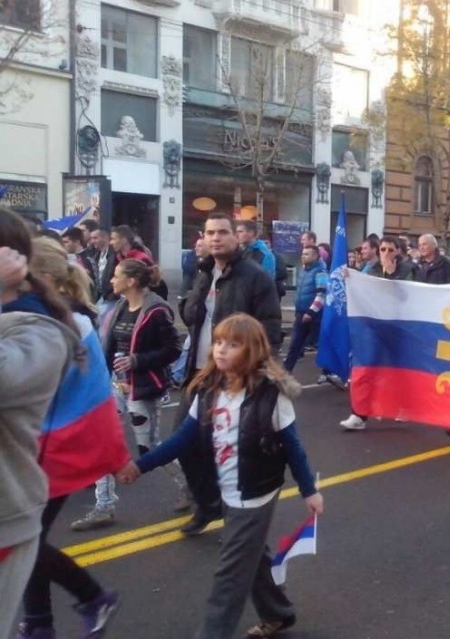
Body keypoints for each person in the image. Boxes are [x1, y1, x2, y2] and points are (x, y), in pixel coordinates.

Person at [116, 314, 324, 639]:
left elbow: (292, 447)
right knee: (252, 558)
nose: (221, 350)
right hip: (226, 489)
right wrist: (140, 466)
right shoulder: (211, 390)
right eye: (218, 342)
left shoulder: (271, 395)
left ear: (252, 350)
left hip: (255, 495)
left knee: (230, 575)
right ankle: (277, 614)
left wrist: (309, 490)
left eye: (233, 344)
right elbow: (182, 439)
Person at [0, 211, 128, 639]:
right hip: (49, 440)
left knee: (26, 536)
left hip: (60, 442)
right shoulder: (58, 320)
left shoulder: (57, 327)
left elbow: (75, 392)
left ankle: (85, 599)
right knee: (28, 536)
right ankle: (43, 620)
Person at [179, 212, 282, 536]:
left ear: (235, 237)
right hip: (199, 372)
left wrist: (255, 375)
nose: (215, 238)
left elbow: (270, 330)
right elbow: (190, 316)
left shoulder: (255, 278)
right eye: (210, 232)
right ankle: (208, 504)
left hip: (235, 376)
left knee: (233, 447)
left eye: (223, 232)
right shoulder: (203, 273)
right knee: (185, 442)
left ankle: (236, 511)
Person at [71, 259, 186, 530]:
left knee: (151, 448)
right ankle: (104, 506)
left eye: (116, 276)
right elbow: (110, 347)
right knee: (102, 440)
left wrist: (137, 361)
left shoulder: (157, 310)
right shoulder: (121, 306)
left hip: (143, 387)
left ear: (131, 281)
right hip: (115, 386)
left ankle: (191, 487)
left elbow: (173, 350)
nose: (111, 280)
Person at [0, 243, 77, 639]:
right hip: (33, 471)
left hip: (14, 501)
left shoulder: (41, 333)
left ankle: (47, 619)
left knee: (37, 544)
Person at [340, 235, 415, 431]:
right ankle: (359, 414)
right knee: (367, 368)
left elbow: (410, 296)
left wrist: (391, 275)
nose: (386, 254)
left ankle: (403, 406)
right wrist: (351, 278)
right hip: (375, 327)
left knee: (398, 372)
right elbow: (364, 291)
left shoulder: (409, 269)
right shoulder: (373, 270)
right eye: (383, 249)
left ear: (398, 251)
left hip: (400, 328)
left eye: (391, 250)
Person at [283, 245, 329, 374]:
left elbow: (321, 294)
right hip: (301, 313)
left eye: (307, 254)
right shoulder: (304, 270)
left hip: (315, 316)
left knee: (322, 345)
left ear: (316, 256)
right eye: (303, 253)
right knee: (295, 344)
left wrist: (311, 312)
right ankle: (285, 371)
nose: (303, 256)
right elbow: (301, 292)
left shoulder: (320, 272)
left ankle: (329, 372)